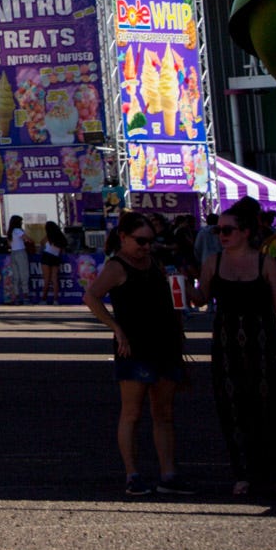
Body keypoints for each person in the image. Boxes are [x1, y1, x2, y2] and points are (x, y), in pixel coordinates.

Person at [197, 199, 276, 502]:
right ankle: (243, 473)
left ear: (244, 232)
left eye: (227, 230)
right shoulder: (212, 263)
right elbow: (200, 297)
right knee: (233, 407)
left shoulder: (265, 262)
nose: (222, 236)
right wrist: (182, 291)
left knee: (275, 408)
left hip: (263, 342)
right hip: (227, 345)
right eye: (219, 230)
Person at [85, 209, 191, 496]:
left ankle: (169, 473)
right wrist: (115, 327)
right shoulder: (117, 266)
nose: (145, 247)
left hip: (164, 344)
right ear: (123, 237)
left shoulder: (154, 262)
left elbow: (175, 301)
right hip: (134, 346)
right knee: (132, 412)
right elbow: (91, 296)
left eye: (150, 241)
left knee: (164, 413)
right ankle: (132, 474)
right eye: (140, 241)